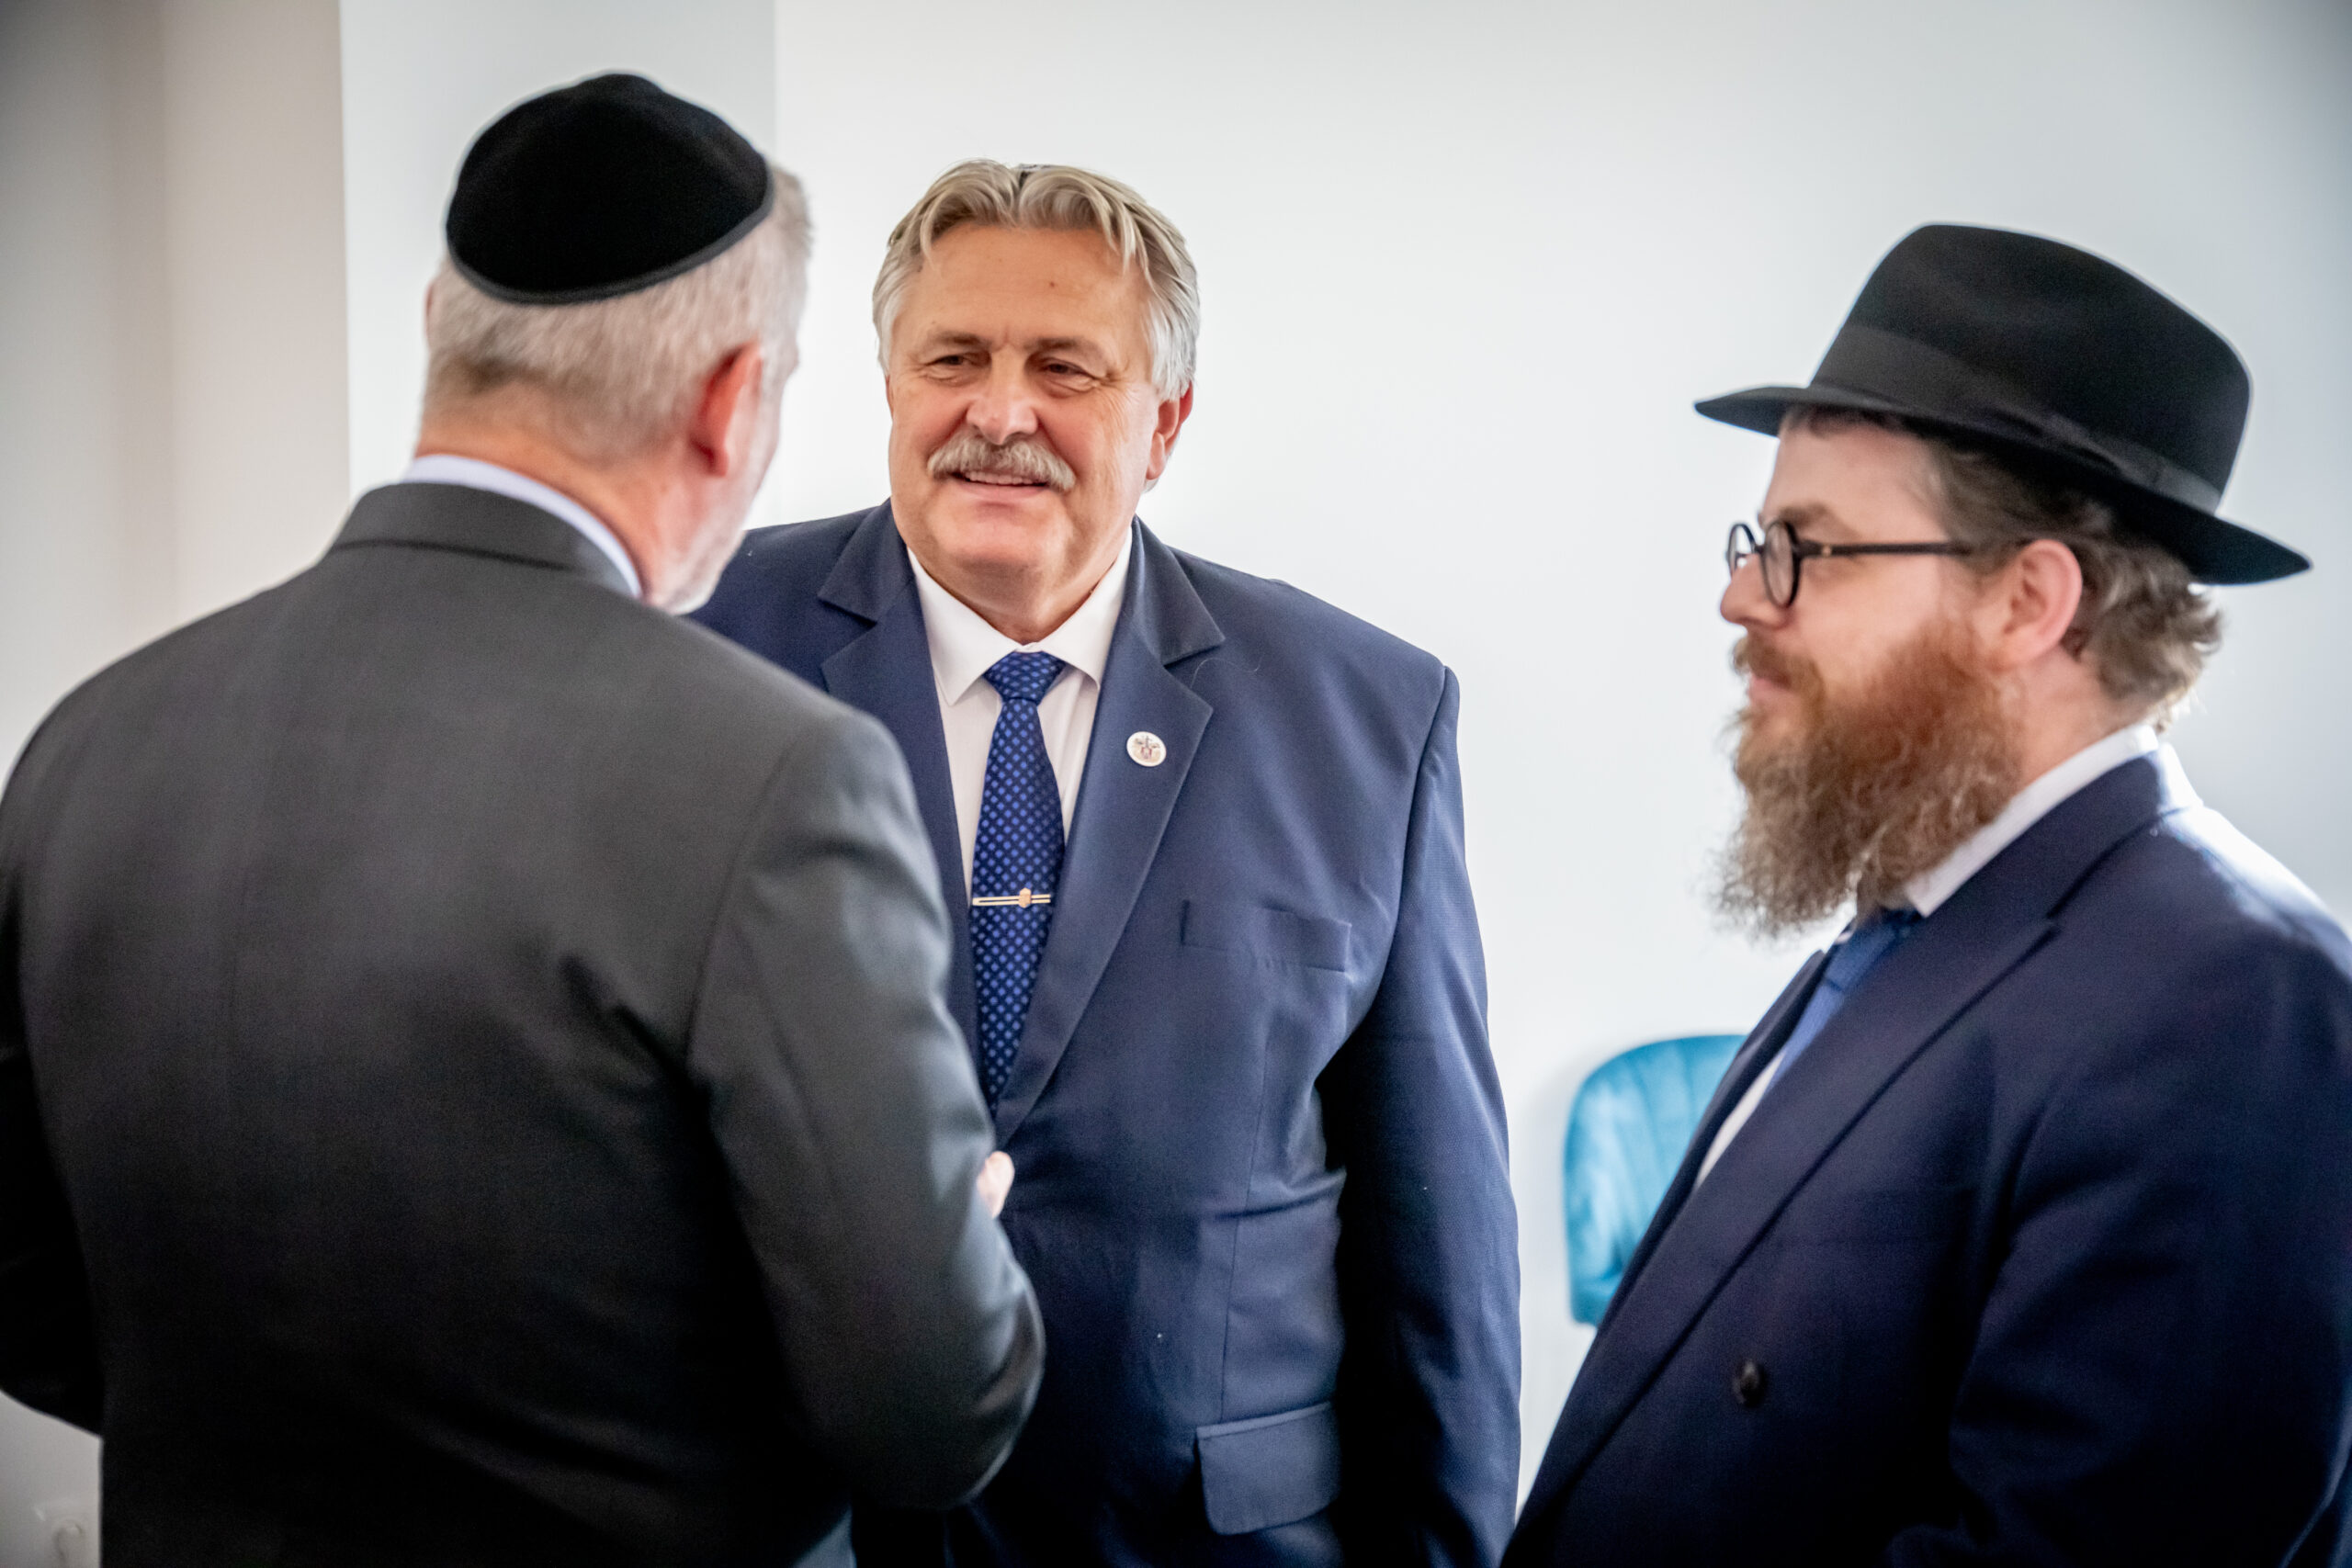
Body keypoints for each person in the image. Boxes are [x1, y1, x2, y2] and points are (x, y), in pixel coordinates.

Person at [0, 74, 1041, 1565]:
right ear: (731, 399)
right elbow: (930, 1411)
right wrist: (955, 1233)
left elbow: (26, 1292)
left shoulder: (94, 740)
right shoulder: (773, 776)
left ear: (442, 325)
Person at [695, 160, 1519, 1566]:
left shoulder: (1367, 717)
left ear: (1166, 424)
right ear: (890, 386)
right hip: (806, 1522)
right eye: (953, 359)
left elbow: (1436, 1237)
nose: (999, 413)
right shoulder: (706, 648)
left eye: (1065, 368)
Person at [1507, 224, 2352, 1566]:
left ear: (2026, 602)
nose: (1741, 598)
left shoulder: (2237, 1006)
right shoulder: (1922, 918)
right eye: (1757, 540)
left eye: (1809, 548)